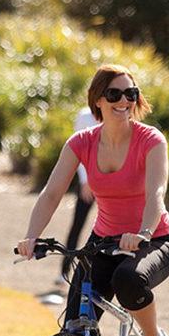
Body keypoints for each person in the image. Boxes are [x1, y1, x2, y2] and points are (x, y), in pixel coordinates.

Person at [17, 64, 169, 336]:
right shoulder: (82, 143)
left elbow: (156, 192)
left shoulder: (150, 140)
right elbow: (52, 193)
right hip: (104, 241)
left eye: (130, 93)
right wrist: (32, 236)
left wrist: (143, 232)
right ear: (98, 101)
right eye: (114, 94)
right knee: (75, 327)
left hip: (153, 239)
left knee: (129, 279)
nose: (124, 101)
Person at [60, 106, 100, 281]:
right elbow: (78, 151)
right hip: (87, 184)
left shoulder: (118, 114)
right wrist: (85, 181)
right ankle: (64, 271)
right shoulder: (84, 116)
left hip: (110, 183)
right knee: (77, 225)